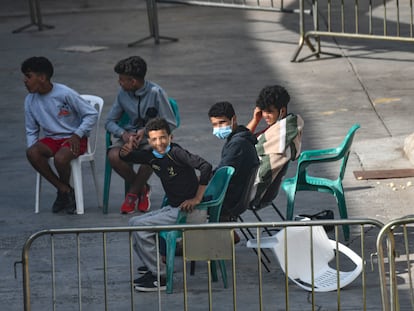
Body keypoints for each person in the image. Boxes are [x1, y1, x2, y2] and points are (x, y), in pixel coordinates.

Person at [120, 118, 212, 292]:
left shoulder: (177, 153)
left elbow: (205, 166)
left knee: (140, 226)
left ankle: (159, 277)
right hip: (174, 208)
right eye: (154, 139)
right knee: (133, 224)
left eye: (163, 138)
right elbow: (127, 156)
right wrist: (125, 151)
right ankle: (152, 265)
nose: (159, 143)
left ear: (171, 137)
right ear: (148, 141)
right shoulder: (151, 156)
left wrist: (197, 199)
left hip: (191, 212)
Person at [22, 56, 98, 214]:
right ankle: (64, 189)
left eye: (29, 76)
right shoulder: (30, 100)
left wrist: (78, 134)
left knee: (60, 158)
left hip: (74, 138)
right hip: (52, 139)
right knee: (32, 153)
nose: (25, 80)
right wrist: (34, 152)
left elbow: (91, 114)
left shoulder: (65, 93)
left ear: (42, 78)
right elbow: (31, 130)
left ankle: (63, 193)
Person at [105, 56, 177, 214]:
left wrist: (147, 130)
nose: (119, 83)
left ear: (133, 82)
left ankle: (132, 194)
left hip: (150, 139)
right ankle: (142, 189)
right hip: (129, 138)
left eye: (122, 79)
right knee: (114, 156)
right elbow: (109, 121)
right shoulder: (122, 94)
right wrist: (123, 134)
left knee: (152, 155)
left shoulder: (156, 93)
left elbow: (171, 122)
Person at [246, 85, 304, 207]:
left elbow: (240, 144)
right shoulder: (279, 128)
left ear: (282, 111)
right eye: (263, 111)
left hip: (252, 192)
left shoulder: (281, 134)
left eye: (269, 111)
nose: (265, 115)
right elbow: (241, 142)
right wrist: (255, 120)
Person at [208, 102, 260, 236]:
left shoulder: (237, 144)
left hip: (231, 198)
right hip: (236, 194)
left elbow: (222, 173)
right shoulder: (240, 137)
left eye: (222, 123)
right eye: (215, 125)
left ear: (234, 119)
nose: (218, 128)